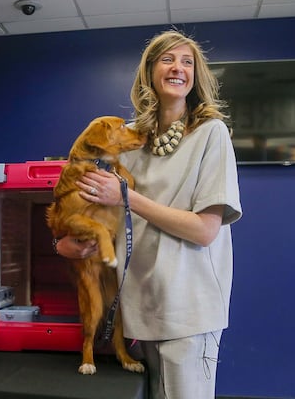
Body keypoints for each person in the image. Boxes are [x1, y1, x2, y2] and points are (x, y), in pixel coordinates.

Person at [55, 29, 242, 398]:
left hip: (187, 311)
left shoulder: (211, 134)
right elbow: (76, 192)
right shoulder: (127, 137)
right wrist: (64, 240)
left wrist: (127, 197)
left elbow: (205, 231)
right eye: (167, 59)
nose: (178, 68)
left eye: (187, 62)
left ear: (196, 75)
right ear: (150, 71)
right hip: (136, 310)